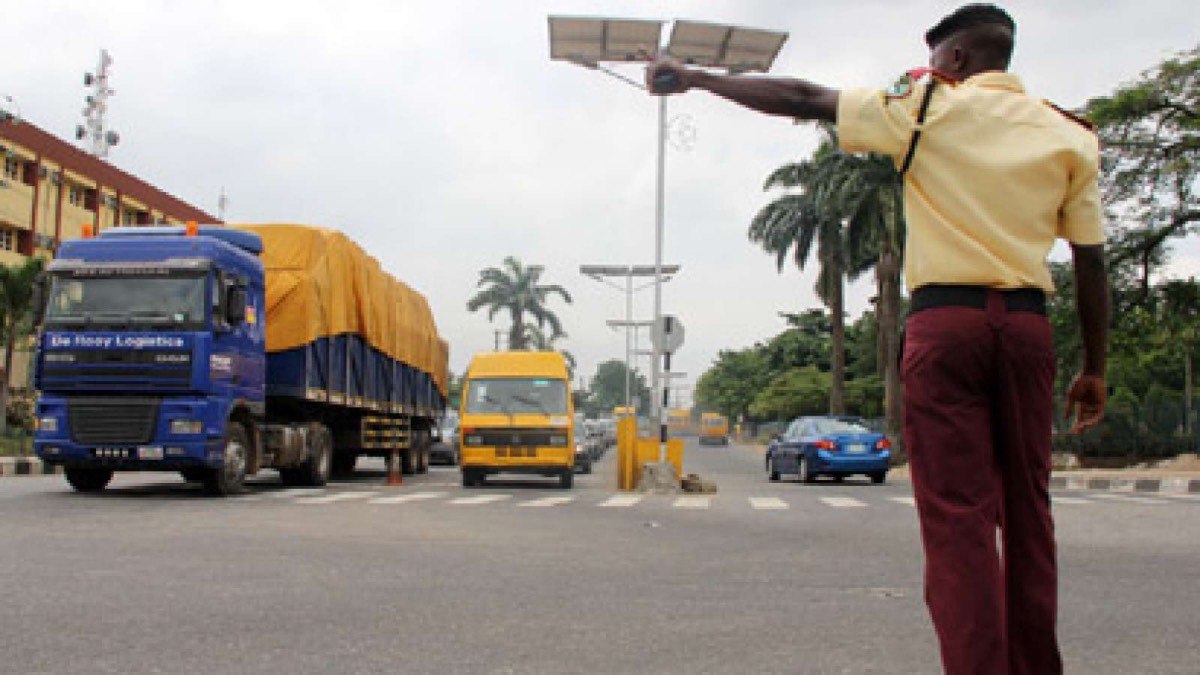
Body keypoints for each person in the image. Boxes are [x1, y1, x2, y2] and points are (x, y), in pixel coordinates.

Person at [646, 4, 1108, 674]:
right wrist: (1094, 366)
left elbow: (805, 98)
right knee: (1030, 512)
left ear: (953, 61)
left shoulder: (925, 106)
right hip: (1030, 330)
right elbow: (1091, 261)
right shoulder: (1069, 134)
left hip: (945, 327)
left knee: (959, 520)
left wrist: (695, 77)